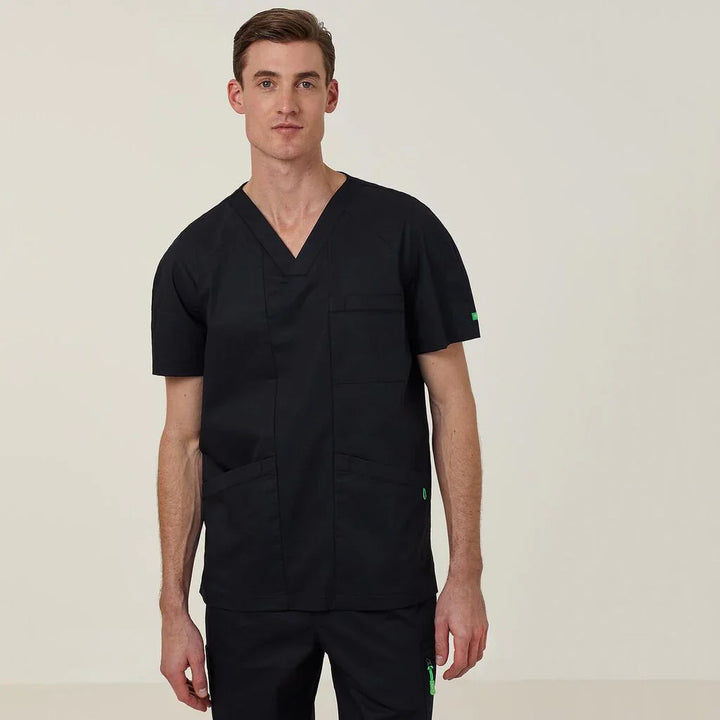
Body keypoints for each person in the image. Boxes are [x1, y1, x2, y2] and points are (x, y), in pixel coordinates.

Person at [151, 8, 488, 718]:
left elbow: (453, 404)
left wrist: (465, 574)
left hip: (384, 579)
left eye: (305, 82)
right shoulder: (195, 259)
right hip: (251, 589)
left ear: (331, 94)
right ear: (237, 96)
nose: (287, 103)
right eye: (266, 82)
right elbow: (183, 439)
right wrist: (172, 608)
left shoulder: (404, 233)